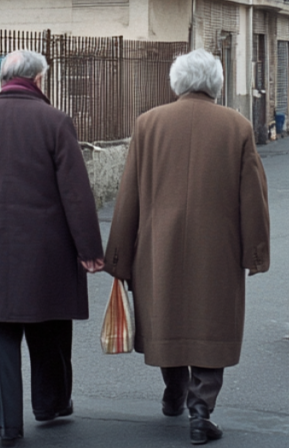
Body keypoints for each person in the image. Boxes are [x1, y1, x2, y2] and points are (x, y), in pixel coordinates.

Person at [104, 48, 270, 445]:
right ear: (217, 83)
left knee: (168, 317)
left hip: (157, 244)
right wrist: (255, 253)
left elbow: (128, 196)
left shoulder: (148, 124)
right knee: (212, 323)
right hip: (218, 247)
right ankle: (201, 410)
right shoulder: (238, 126)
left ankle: (174, 392)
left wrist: (119, 256)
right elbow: (253, 197)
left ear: (175, 82)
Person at [0, 49, 104, 444]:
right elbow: (76, 194)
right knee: (49, 327)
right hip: (47, 251)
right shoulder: (56, 121)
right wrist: (89, 249)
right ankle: (51, 404)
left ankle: (6, 422)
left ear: (2, 79)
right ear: (39, 80)